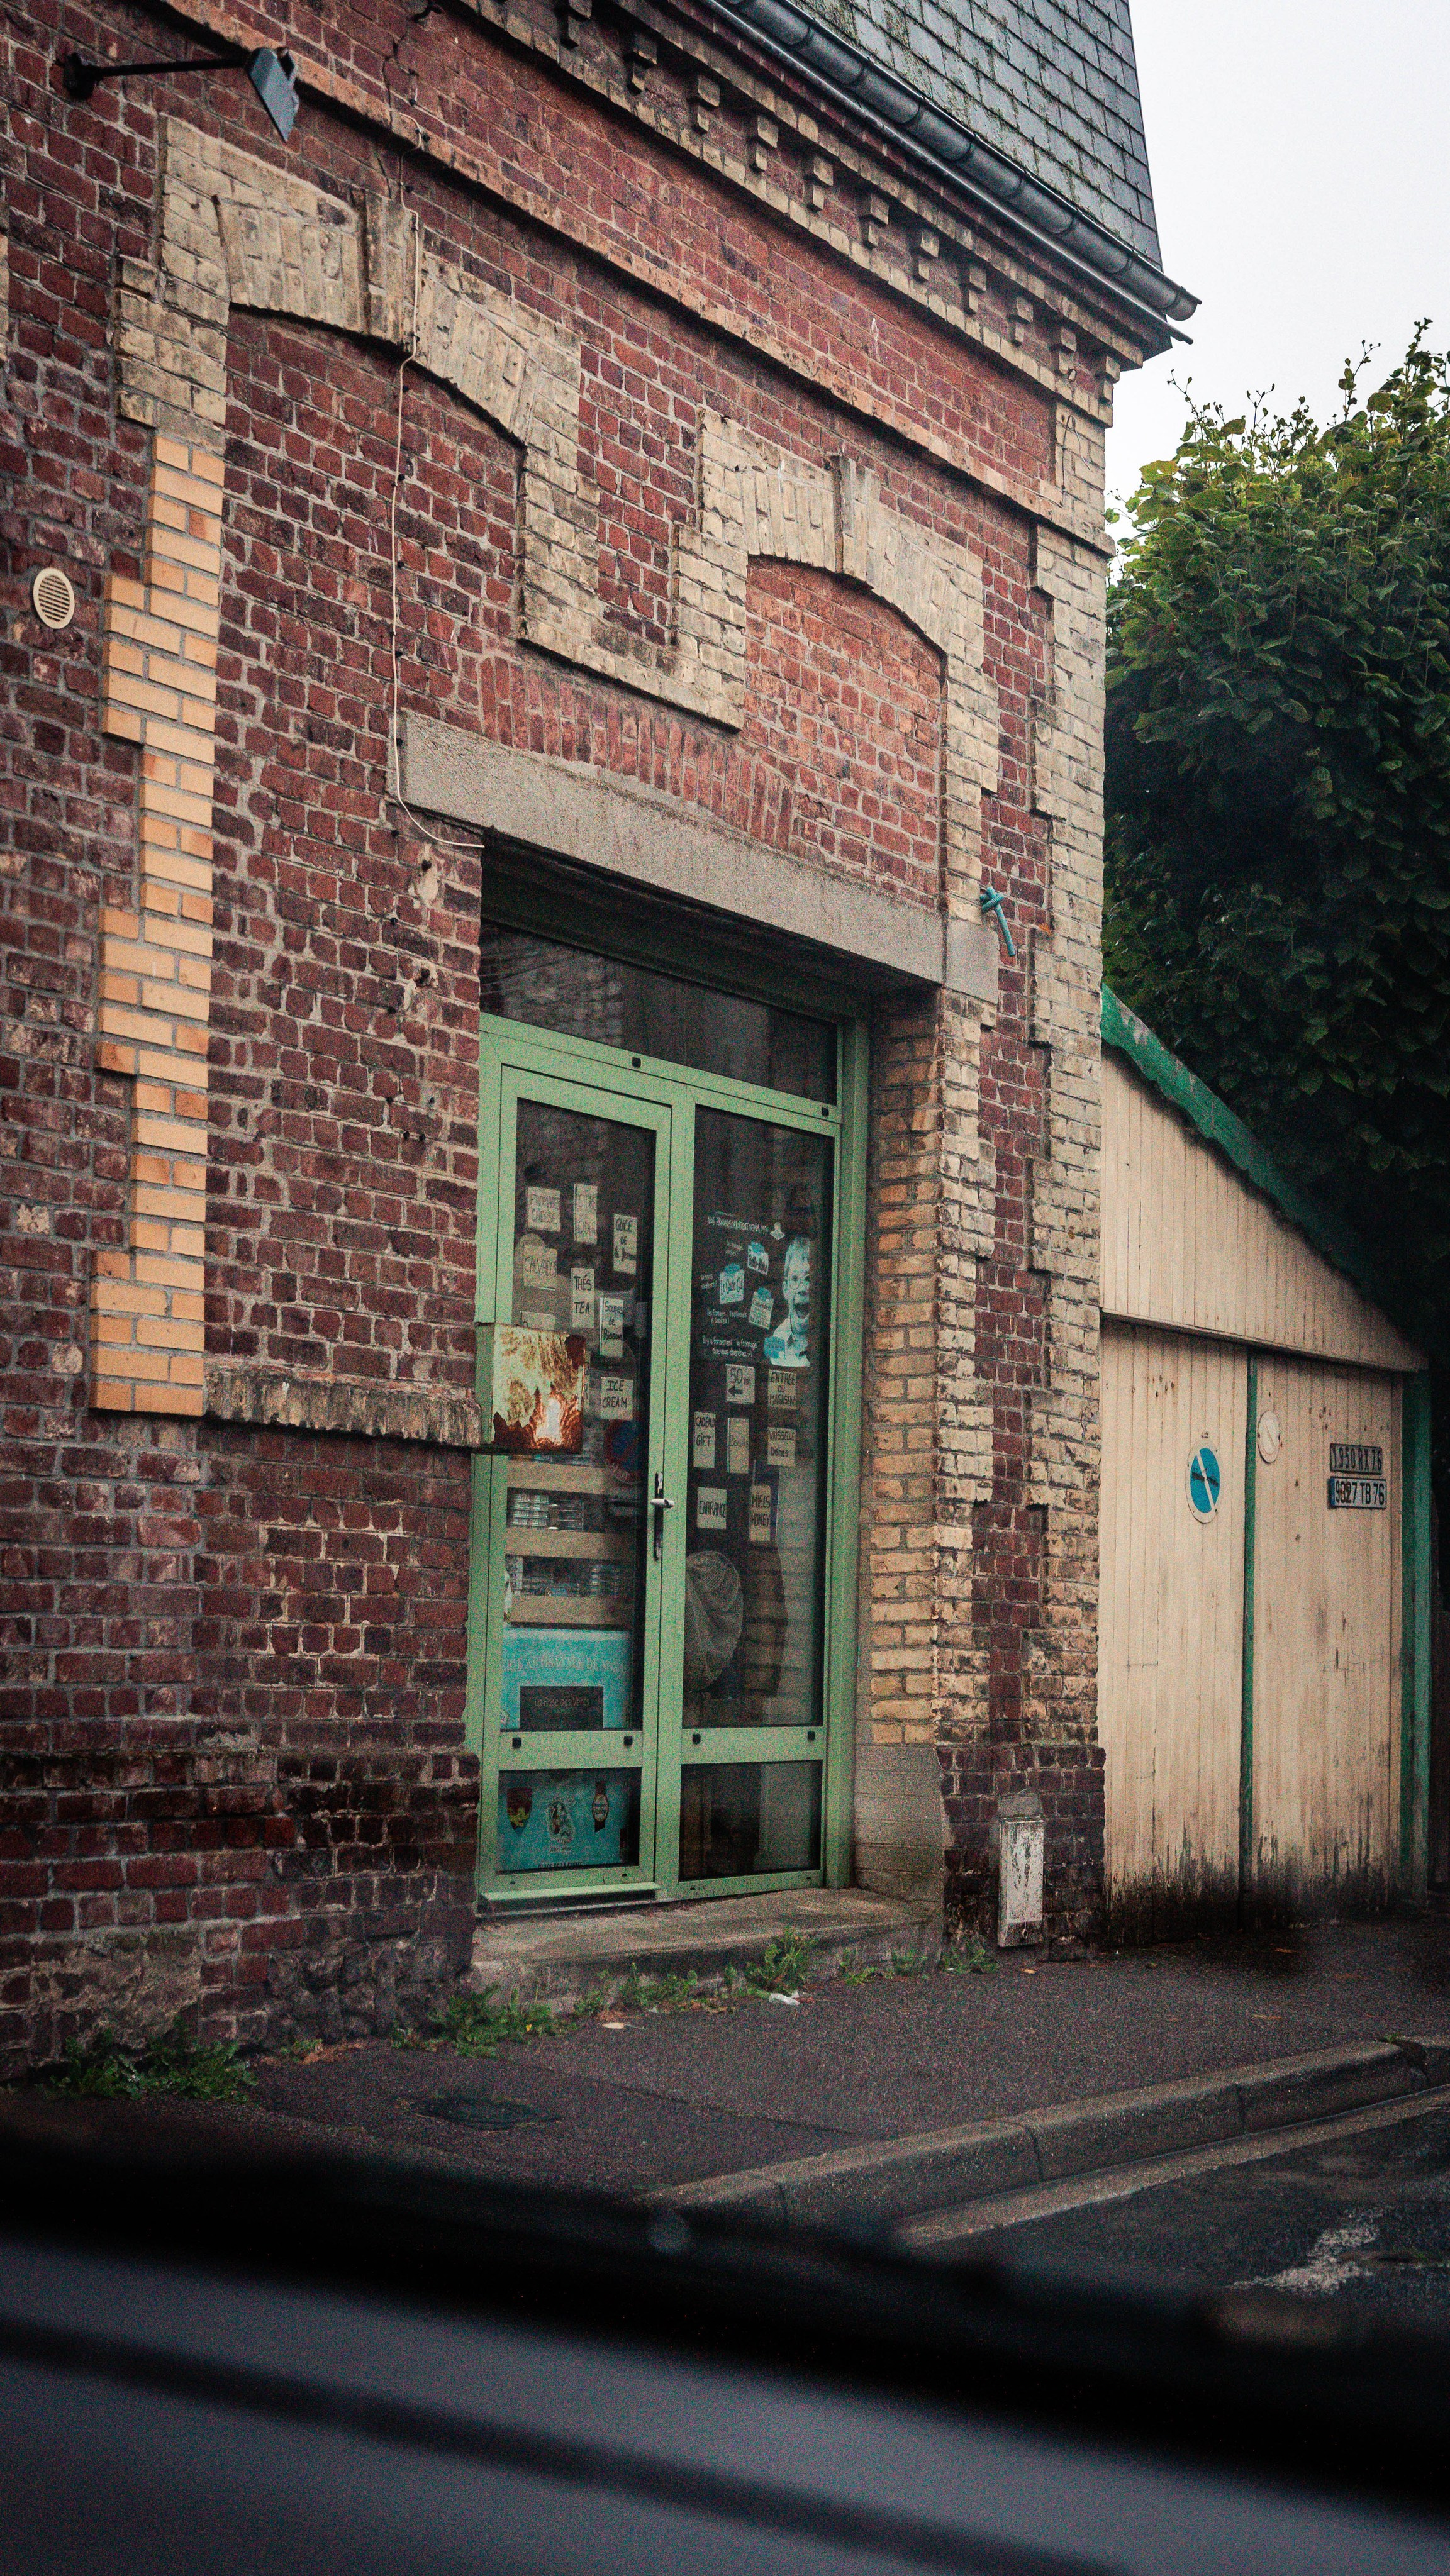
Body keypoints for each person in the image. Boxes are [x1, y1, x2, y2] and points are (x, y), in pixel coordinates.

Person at [762, 1235, 810, 1367]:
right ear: (785, 1289)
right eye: (795, 1279)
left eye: (808, 1279)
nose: (802, 1288)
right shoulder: (778, 1338)